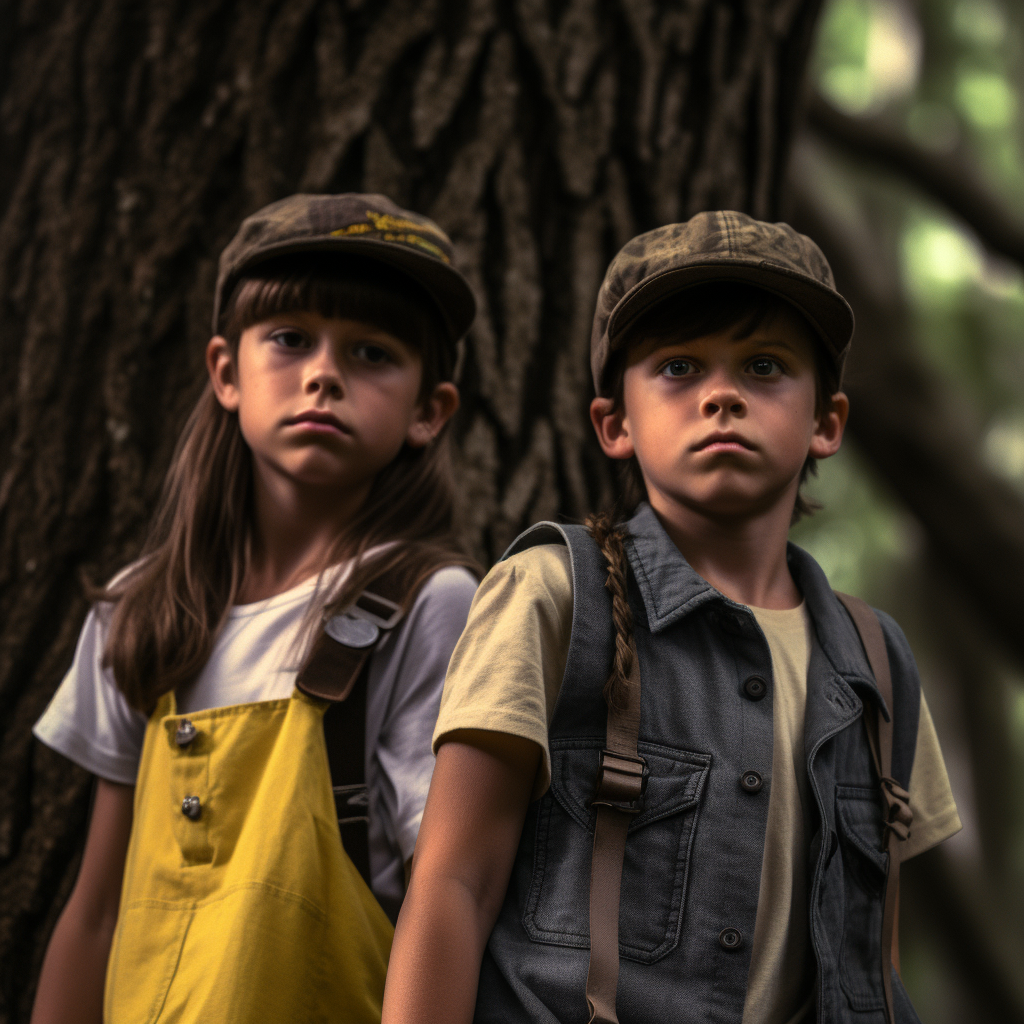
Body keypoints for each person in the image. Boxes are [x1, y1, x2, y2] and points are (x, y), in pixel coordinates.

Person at [382, 211, 962, 1024]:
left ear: (827, 423)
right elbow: (453, 885)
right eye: (680, 368)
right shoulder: (553, 594)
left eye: (764, 367)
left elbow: (874, 950)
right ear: (614, 424)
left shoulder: (877, 657)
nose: (721, 395)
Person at [30, 193, 480, 1024]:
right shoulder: (140, 613)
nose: (323, 374)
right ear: (227, 373)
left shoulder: (431, 605)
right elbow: (95, 913)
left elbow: (446, 893)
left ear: (429, 412)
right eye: (290, 339)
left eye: (373, 352)